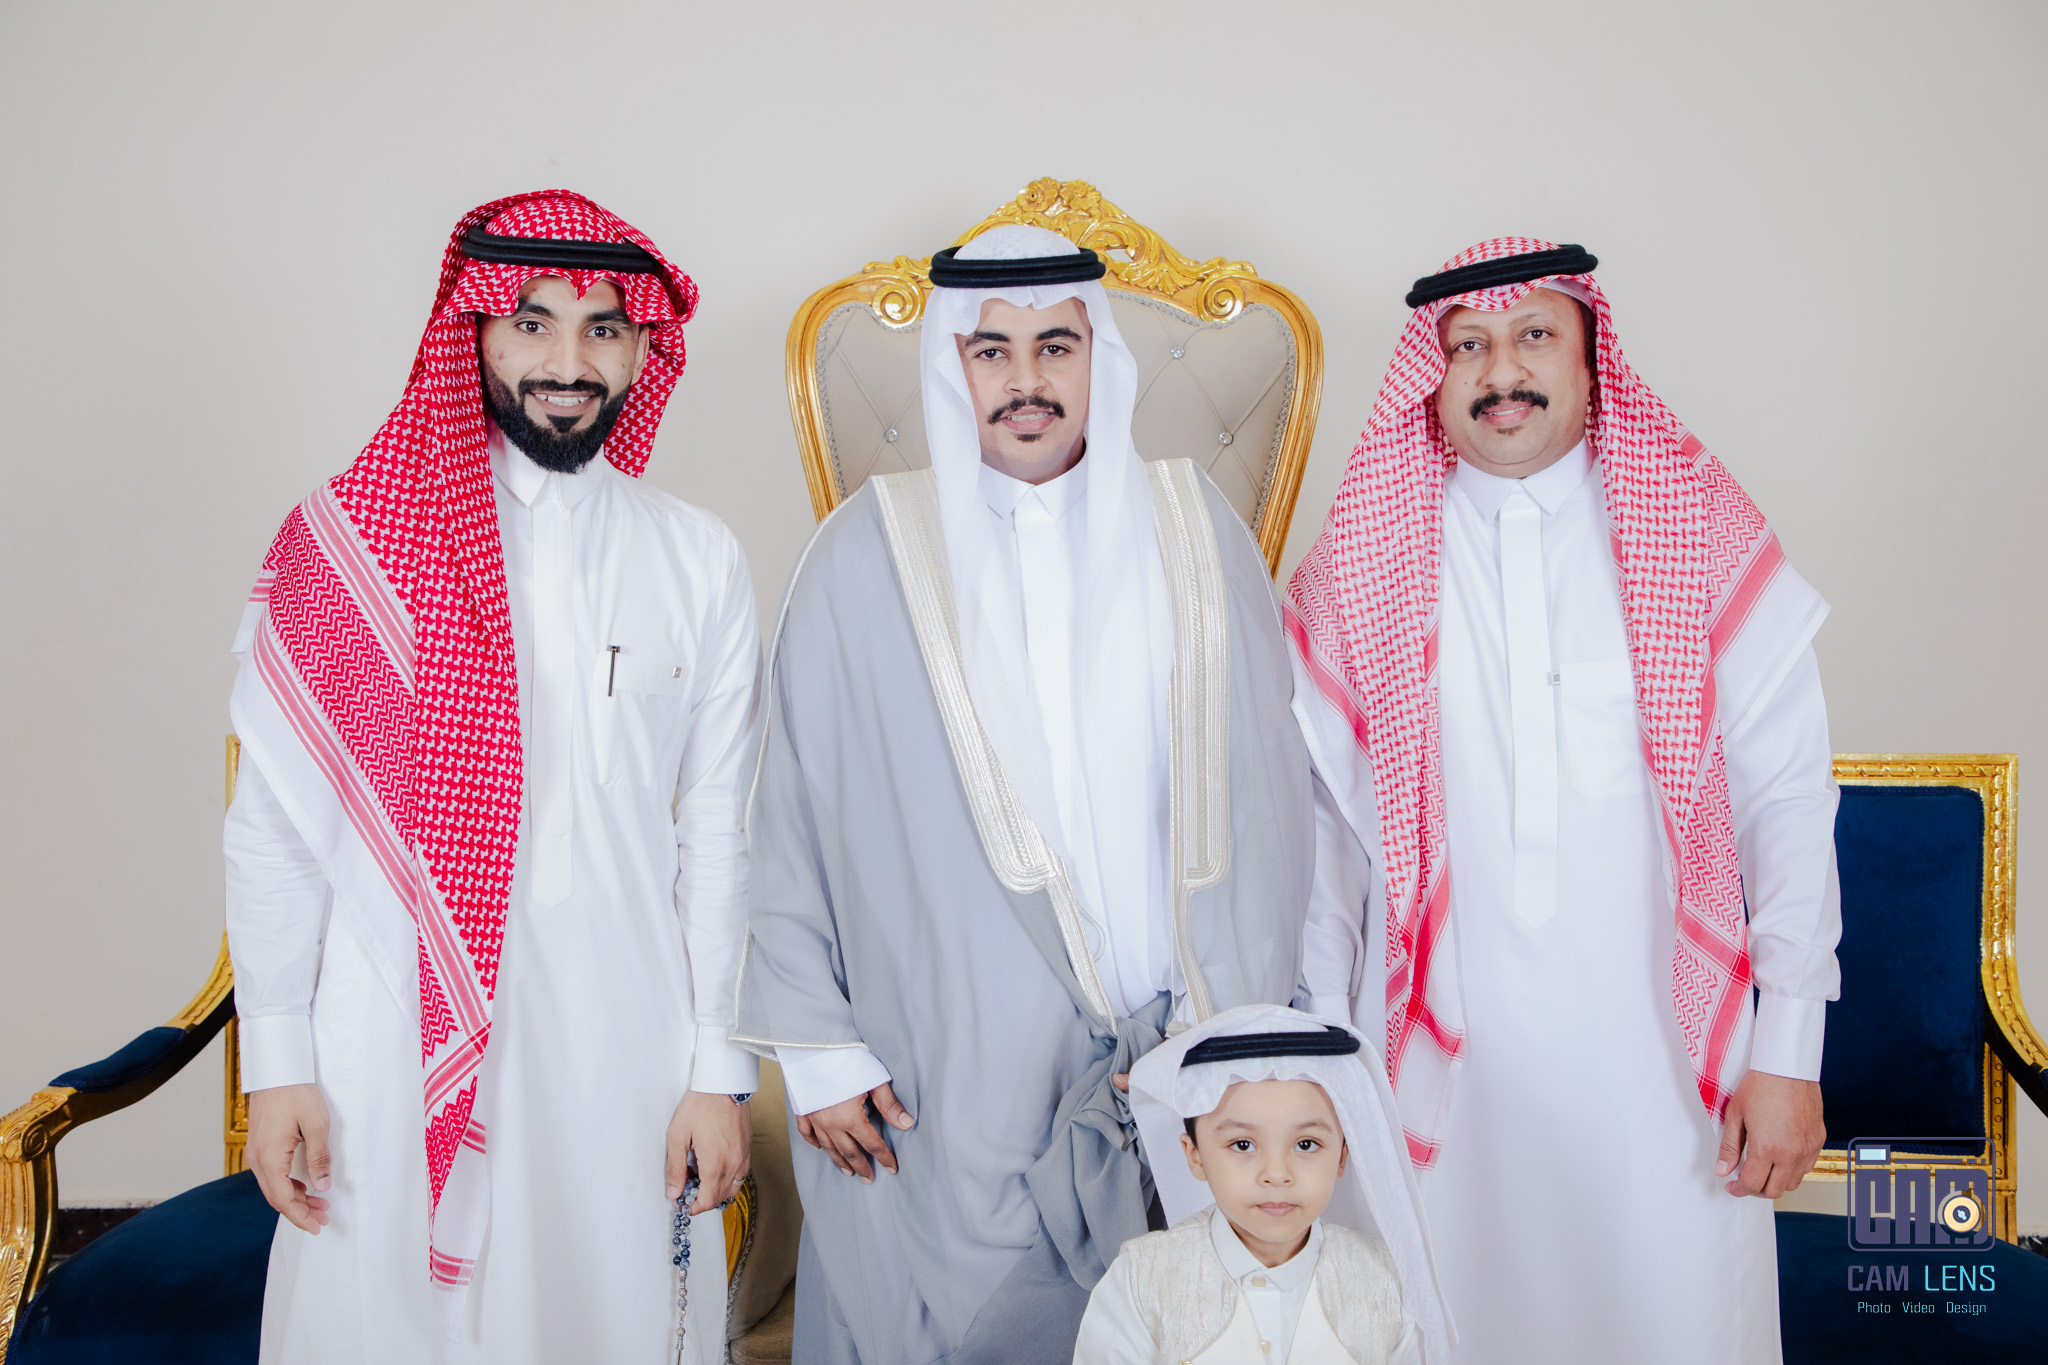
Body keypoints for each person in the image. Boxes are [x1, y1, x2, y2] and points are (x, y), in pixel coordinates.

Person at [733, 224, 1313, 1364]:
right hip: (948, 1063)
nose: (1025, 380)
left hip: (1176, 1041)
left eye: (1056, 346)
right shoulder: (862, 554)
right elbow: (788, 807)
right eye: (990, 350)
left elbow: (1274, 798)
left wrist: (1244, 1031)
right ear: (952, 365)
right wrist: (819, 1052)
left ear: (1101, 359)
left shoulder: (1193, 529)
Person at [223, 191, 761, 1364]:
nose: (567, 364)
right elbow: (274, 832)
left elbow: (719, 832)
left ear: (643, 349)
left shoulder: (697, 557)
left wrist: (715, 1070)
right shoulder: (356, 545)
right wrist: (278, 1064)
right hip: (385, 1042)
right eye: (530, 324)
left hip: (624, 1046)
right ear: (469, 334)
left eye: (603, 328)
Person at [1286, 240, 1840, 1363]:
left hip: (1661, 1074)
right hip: (1438, 1074)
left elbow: (1784, 800)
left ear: (1591, 360)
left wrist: (1789, 1048)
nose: (1503, 371)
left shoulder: (1697, 531)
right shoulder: (1362, 561)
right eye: (1469, 346)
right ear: (1433, 376)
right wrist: (1317, 1057)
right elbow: (1322, 843)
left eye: (1534, 336)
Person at [1077, 1005, 1451, 1365]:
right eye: (1243, 1145)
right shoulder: (1140, 1282)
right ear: (1196, 1156)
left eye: (1306, 1144)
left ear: (1341, 1157)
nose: (1276, 1173)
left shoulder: (1384, 1283)